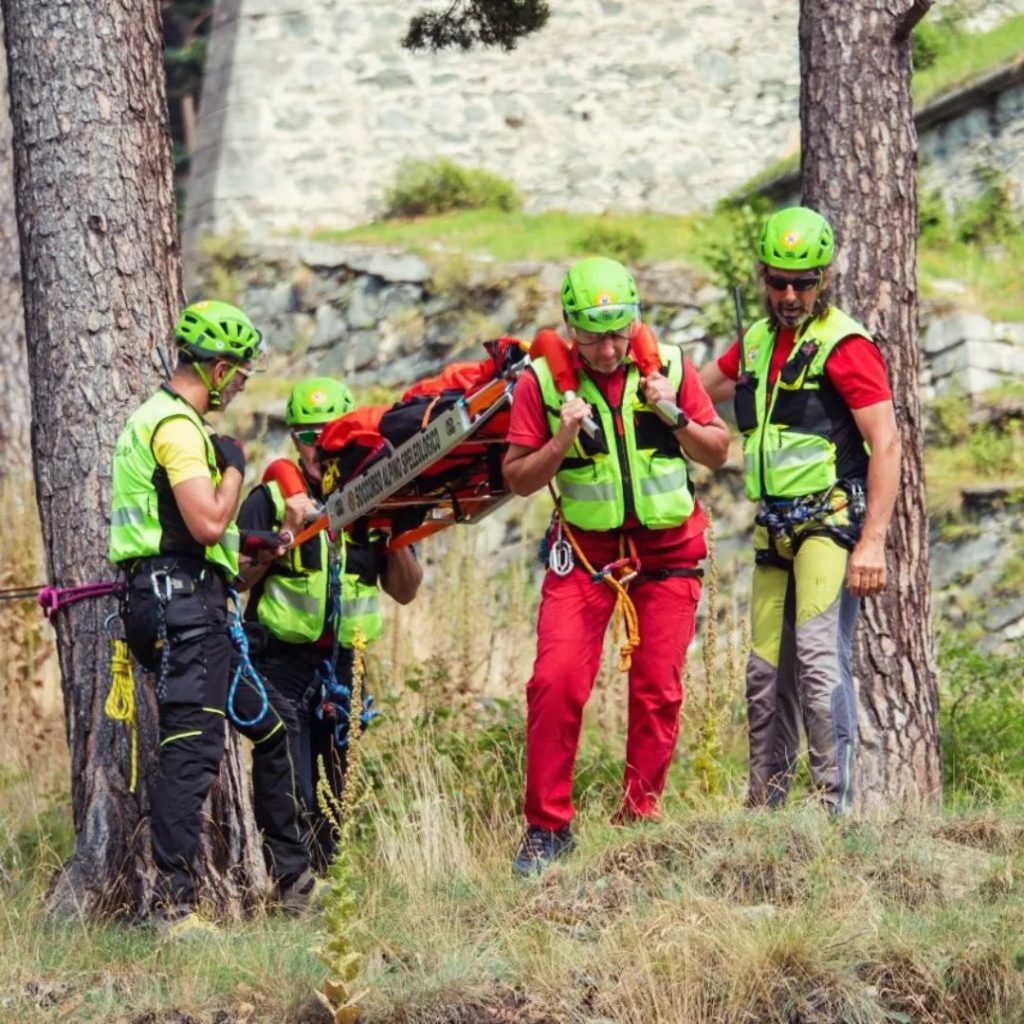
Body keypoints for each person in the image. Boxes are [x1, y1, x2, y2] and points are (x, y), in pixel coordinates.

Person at [503, 256, 730, 876]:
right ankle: (548, 829)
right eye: (592, 335)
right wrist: (560, 438)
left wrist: (671, 412)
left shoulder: (674, 368)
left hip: (668, 554)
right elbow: (519, 479)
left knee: (658, 687)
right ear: (570, 327)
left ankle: (640, 817)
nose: (607, 349)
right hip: (585, 555)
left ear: (635, 319)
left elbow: (716, 451)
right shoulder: (542, 385)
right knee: (555, 682)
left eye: (618, 332)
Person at [109, 300, 315, 936]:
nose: (243, 384)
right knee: (191, 754)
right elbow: (204, 520)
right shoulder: (175, 426)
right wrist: (233, 466)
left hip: (192, 600)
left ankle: (295, 883)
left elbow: (195, 534)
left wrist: (258, 547)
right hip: (182, 613)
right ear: (219, 369)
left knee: (274, 730)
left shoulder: (165, 421)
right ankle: (173, 909)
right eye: (242, 374)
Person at [699, 206, 901, 815]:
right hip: (774, 527)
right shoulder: (757, 342)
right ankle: (765, 808)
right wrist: (647, 380)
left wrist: (874, 541)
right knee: (764, 675)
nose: (789, 295)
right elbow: (693, 389)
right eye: (778, 281)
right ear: (762, 276)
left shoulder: (845, 346)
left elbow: (887, 444)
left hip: (830, 524)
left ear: (825, 277)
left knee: (817, 665)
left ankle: (831, 810)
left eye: (803, 282)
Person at [237, 376, 423, 871]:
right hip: (279, 660)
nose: (318, 447)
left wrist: (390, 533)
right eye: (306, 435)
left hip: (345, 667)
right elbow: (234, 579)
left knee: (337, 779)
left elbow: (405, 591)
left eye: (329, 433)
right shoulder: (271, 498)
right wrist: (287, 532)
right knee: (288, 778)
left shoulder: (375, 495)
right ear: (293, 440)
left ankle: (327, 877)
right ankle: (289, 883)